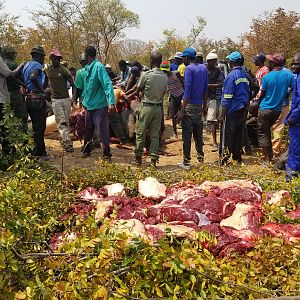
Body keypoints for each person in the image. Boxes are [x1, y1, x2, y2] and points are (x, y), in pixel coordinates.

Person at [129, 52, 167, 167]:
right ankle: (154, 161)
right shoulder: (165, 77)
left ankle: (138, 159)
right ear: (160, 62)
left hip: (146, 107)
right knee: (155, 135)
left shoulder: (146, 75)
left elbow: (137, 90)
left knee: (141, 133)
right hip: (158, 109)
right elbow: (164, 93)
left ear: (151, 61)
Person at [77, 45, 115, 160]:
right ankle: (86, 149)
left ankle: (106, 154)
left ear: (87, 55)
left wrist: (111, 101)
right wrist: (82, 100)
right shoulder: (87, 68)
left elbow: (107, 83)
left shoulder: (99, 67)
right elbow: (87, 87)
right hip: (89, 105)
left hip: (99, 105)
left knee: (103, 130)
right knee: (88, 128)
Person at [257, 53, 294, 162]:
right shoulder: (289, 75)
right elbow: (293, 89)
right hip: (278, 109)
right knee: (276, 130)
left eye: (270, 61)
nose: (268, 62)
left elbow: (262, 94)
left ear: (274, 63)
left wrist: (257, 103)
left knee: (264, 133)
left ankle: (266, 158)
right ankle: (273, 154)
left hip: (265, 108)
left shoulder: (267, 77)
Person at [176, 47, 208, 170]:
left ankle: (186, 162)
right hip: (199, 106)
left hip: (189, 106)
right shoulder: (203, 68)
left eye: (183, 57)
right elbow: (205, 89)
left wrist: (182, 110)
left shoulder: (189, 69)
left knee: (187, 136)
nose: (183, 59)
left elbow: (187, 90)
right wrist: (204, 105)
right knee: (198, 135)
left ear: (187, 58)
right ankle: (201, 159)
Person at [219, 51, 250, 164]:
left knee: (227, 136)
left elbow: (227, 97)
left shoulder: (231, 76)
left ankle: (224, 159)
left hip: (231, 110)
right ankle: (237, 158)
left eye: (229, 60)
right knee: (238, 135)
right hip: (242, 109)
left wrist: (222, 115)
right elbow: (248, 93)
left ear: (232, 62)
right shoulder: (245, 75)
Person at [44, 50, 75, 152]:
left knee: (66, 121)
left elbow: (73, 85)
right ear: (51, 59)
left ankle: (65, 139)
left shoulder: (64, 70)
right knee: (61, 122)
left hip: (65, 99)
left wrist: (73, 99)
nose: (57, 61)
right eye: (55, 59)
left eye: (58, 59)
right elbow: (44, 83)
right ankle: (67, 143)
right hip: (56, 100)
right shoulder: (48, 70)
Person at [22, 46, 49, 159]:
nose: (43, 59)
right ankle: (40, 152)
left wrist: (26, 87)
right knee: (39, 127)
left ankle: (32, 150)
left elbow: (18, 78)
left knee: (33, 126)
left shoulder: (26, 66)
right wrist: (41, 90)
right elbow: (33, 77)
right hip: (37, 99)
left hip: (28, 98)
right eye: (42, 56)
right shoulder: (37, 65)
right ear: (38, 56)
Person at [0, 48, 24, 155]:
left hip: (6, 95)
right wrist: (22, 65)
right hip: (6, 97)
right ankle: (12, 152)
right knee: (8, 126)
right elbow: (13, 75)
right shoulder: (10, 64)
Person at [1, 46, 27, 132]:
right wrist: (25, 85)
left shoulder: (3, 64)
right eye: (13, 54)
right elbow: (15, 76)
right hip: (15, 94)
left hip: (6, 95)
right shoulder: (13, 64)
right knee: (22, 116)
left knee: (9, 119)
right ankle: (24, 140)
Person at [285, 53, 300, 181]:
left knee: (295, 150)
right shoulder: (297, 77)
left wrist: (292, 117)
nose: (293, 66)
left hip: (297, 121)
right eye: (293, 63)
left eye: (296, 64)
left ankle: (291, 177)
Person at [206, 51, 224, 152]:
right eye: (213, 62)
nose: (214, 64)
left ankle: (214, 143)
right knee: (203, 119)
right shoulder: (204, 70)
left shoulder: (218, 71)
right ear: (208, 62)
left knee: (213, 120)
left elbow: (221, 84)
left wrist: (209, 86)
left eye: (215, 62)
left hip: (213, 98)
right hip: (203, 97)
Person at [160, 60, 184, 138]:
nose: (165, 72)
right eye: (163, 71)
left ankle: (185, 131)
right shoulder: (163, 77)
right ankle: (175, 133)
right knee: (173, 116)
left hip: (181, 95)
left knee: (183, 114)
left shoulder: (176, 73)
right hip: (173, 97)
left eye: (165, 71)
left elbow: (183, 83)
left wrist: (185, 96)